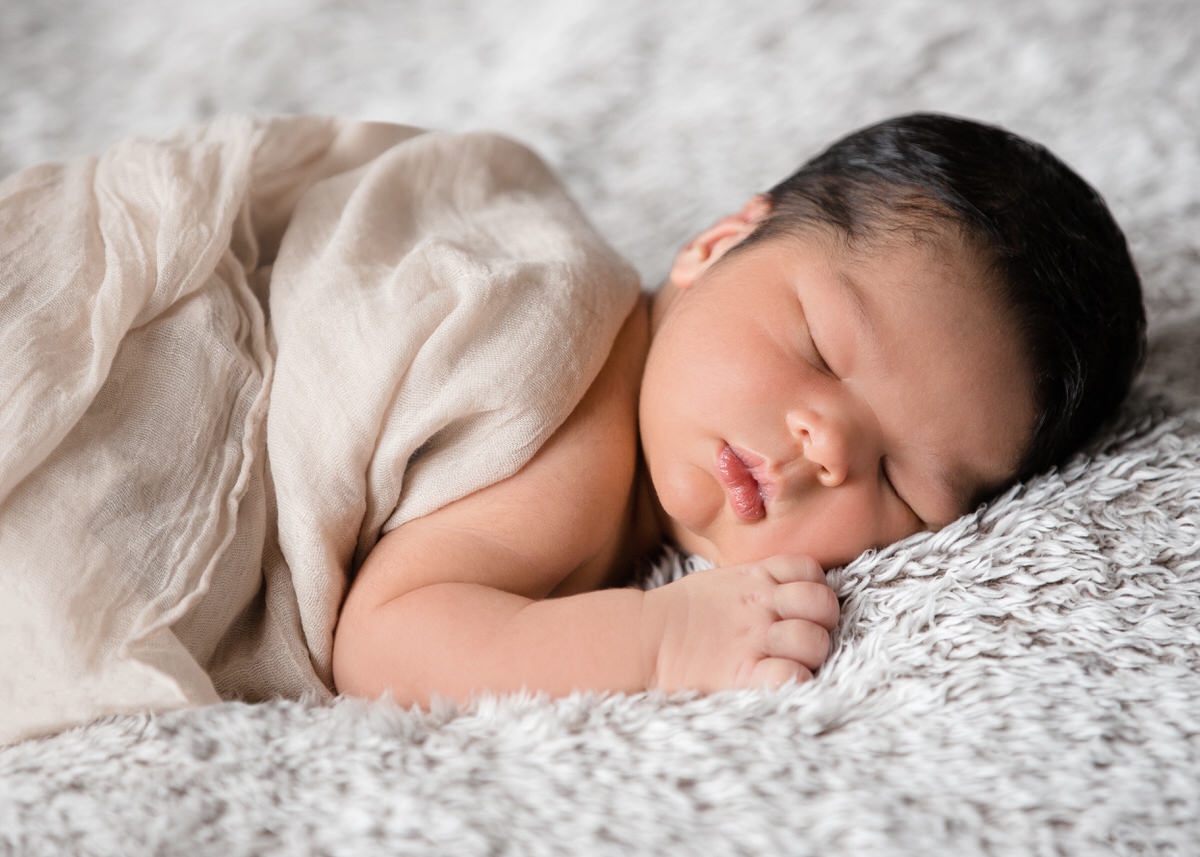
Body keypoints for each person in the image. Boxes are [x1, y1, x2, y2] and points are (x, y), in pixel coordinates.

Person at [331, 113, 1146, 707]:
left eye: (900, 481)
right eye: (821, 350)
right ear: (718, 244)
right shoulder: (571, 404)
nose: (827, 447)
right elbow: (385, 647)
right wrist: (661, 641)